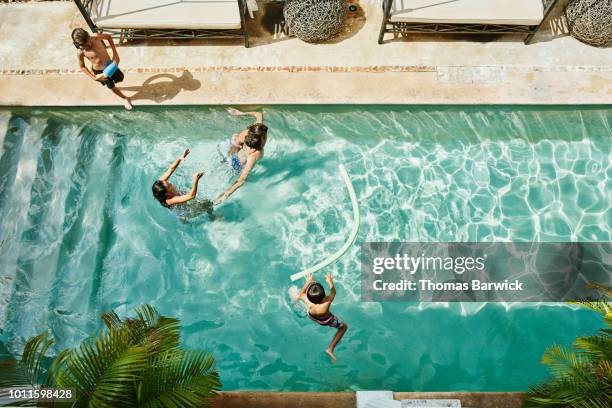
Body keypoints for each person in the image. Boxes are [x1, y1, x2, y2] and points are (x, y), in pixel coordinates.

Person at [214, 108, 268, 205]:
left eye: (253, 148)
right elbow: (241, 180)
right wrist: (226, 194)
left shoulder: (259, 129)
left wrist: (241, 113)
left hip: (234, 149)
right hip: (235, 163)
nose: (251, 150)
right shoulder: (254, 154)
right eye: (249, 147)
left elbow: (258, 114)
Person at [71, 28, 133, 110]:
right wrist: (93, 77)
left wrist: (115, 52)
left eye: (88, 41)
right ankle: (125, 98)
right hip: (99, 72)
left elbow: (109, 37)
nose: (88, 45)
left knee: (120, 78)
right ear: (79, 45)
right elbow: (82, 67)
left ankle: (116, 86)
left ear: (88, 36)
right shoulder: (81, 52)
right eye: (85, 46)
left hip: (110, 65)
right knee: (111, 86)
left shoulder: (96, 38)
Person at [298, 273, 349, 363]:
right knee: (344, 327)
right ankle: (330, 349)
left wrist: (308, 282)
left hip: (312, 316)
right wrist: (330, 281)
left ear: (308, 297)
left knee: (298, 297)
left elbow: (301, 294)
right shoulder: (327, 301)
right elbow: (333, 292)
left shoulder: (308, 302)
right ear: (323, 297)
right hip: (327, 320)